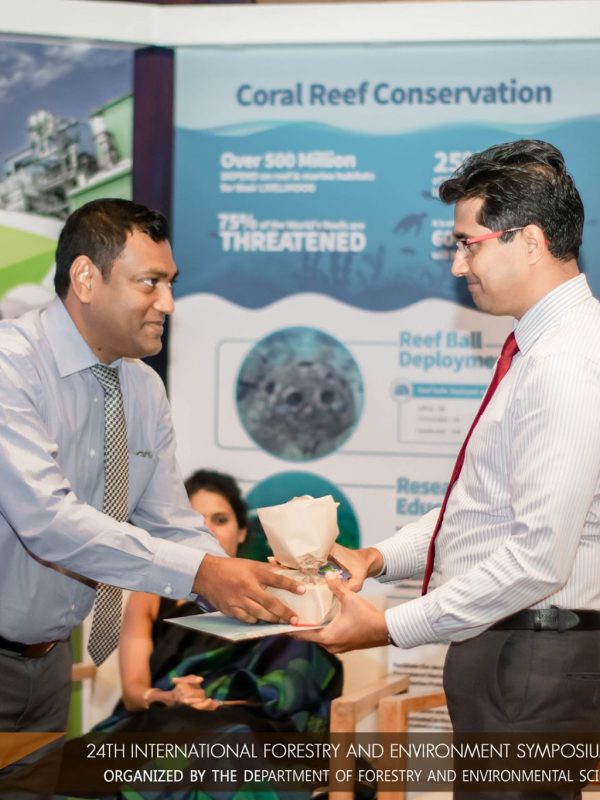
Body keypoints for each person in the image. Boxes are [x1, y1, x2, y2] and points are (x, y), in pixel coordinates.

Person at [297, 140, 600, 798]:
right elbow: (487, 510)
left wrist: (387, 626)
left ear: (529, 241)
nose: (459, 265)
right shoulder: (545, 349)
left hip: (532, 660)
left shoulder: (565, 362)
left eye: (469, 244)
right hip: (519, 654)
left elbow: (537, 559)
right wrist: (377, 558)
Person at [0, 199, 303, 778]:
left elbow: (171, 521)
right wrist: (203, 574)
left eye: (171, 283)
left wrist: (248, 587)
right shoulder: (10, 366)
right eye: (150, 283)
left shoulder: (142, 389)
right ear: (86, 278)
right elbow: (49, 522)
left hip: (50, 665)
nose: (167, 303)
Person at [85, 469, 342, 799]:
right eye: (195, 520)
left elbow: (297, 677)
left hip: (248, 726)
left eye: (220, 520)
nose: (207, 530)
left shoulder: (275, 591)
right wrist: (169, 698)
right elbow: (135, 693)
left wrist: (221, 701)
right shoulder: (150, 594)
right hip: (163, 722)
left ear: (241, 531)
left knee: (230, 741)